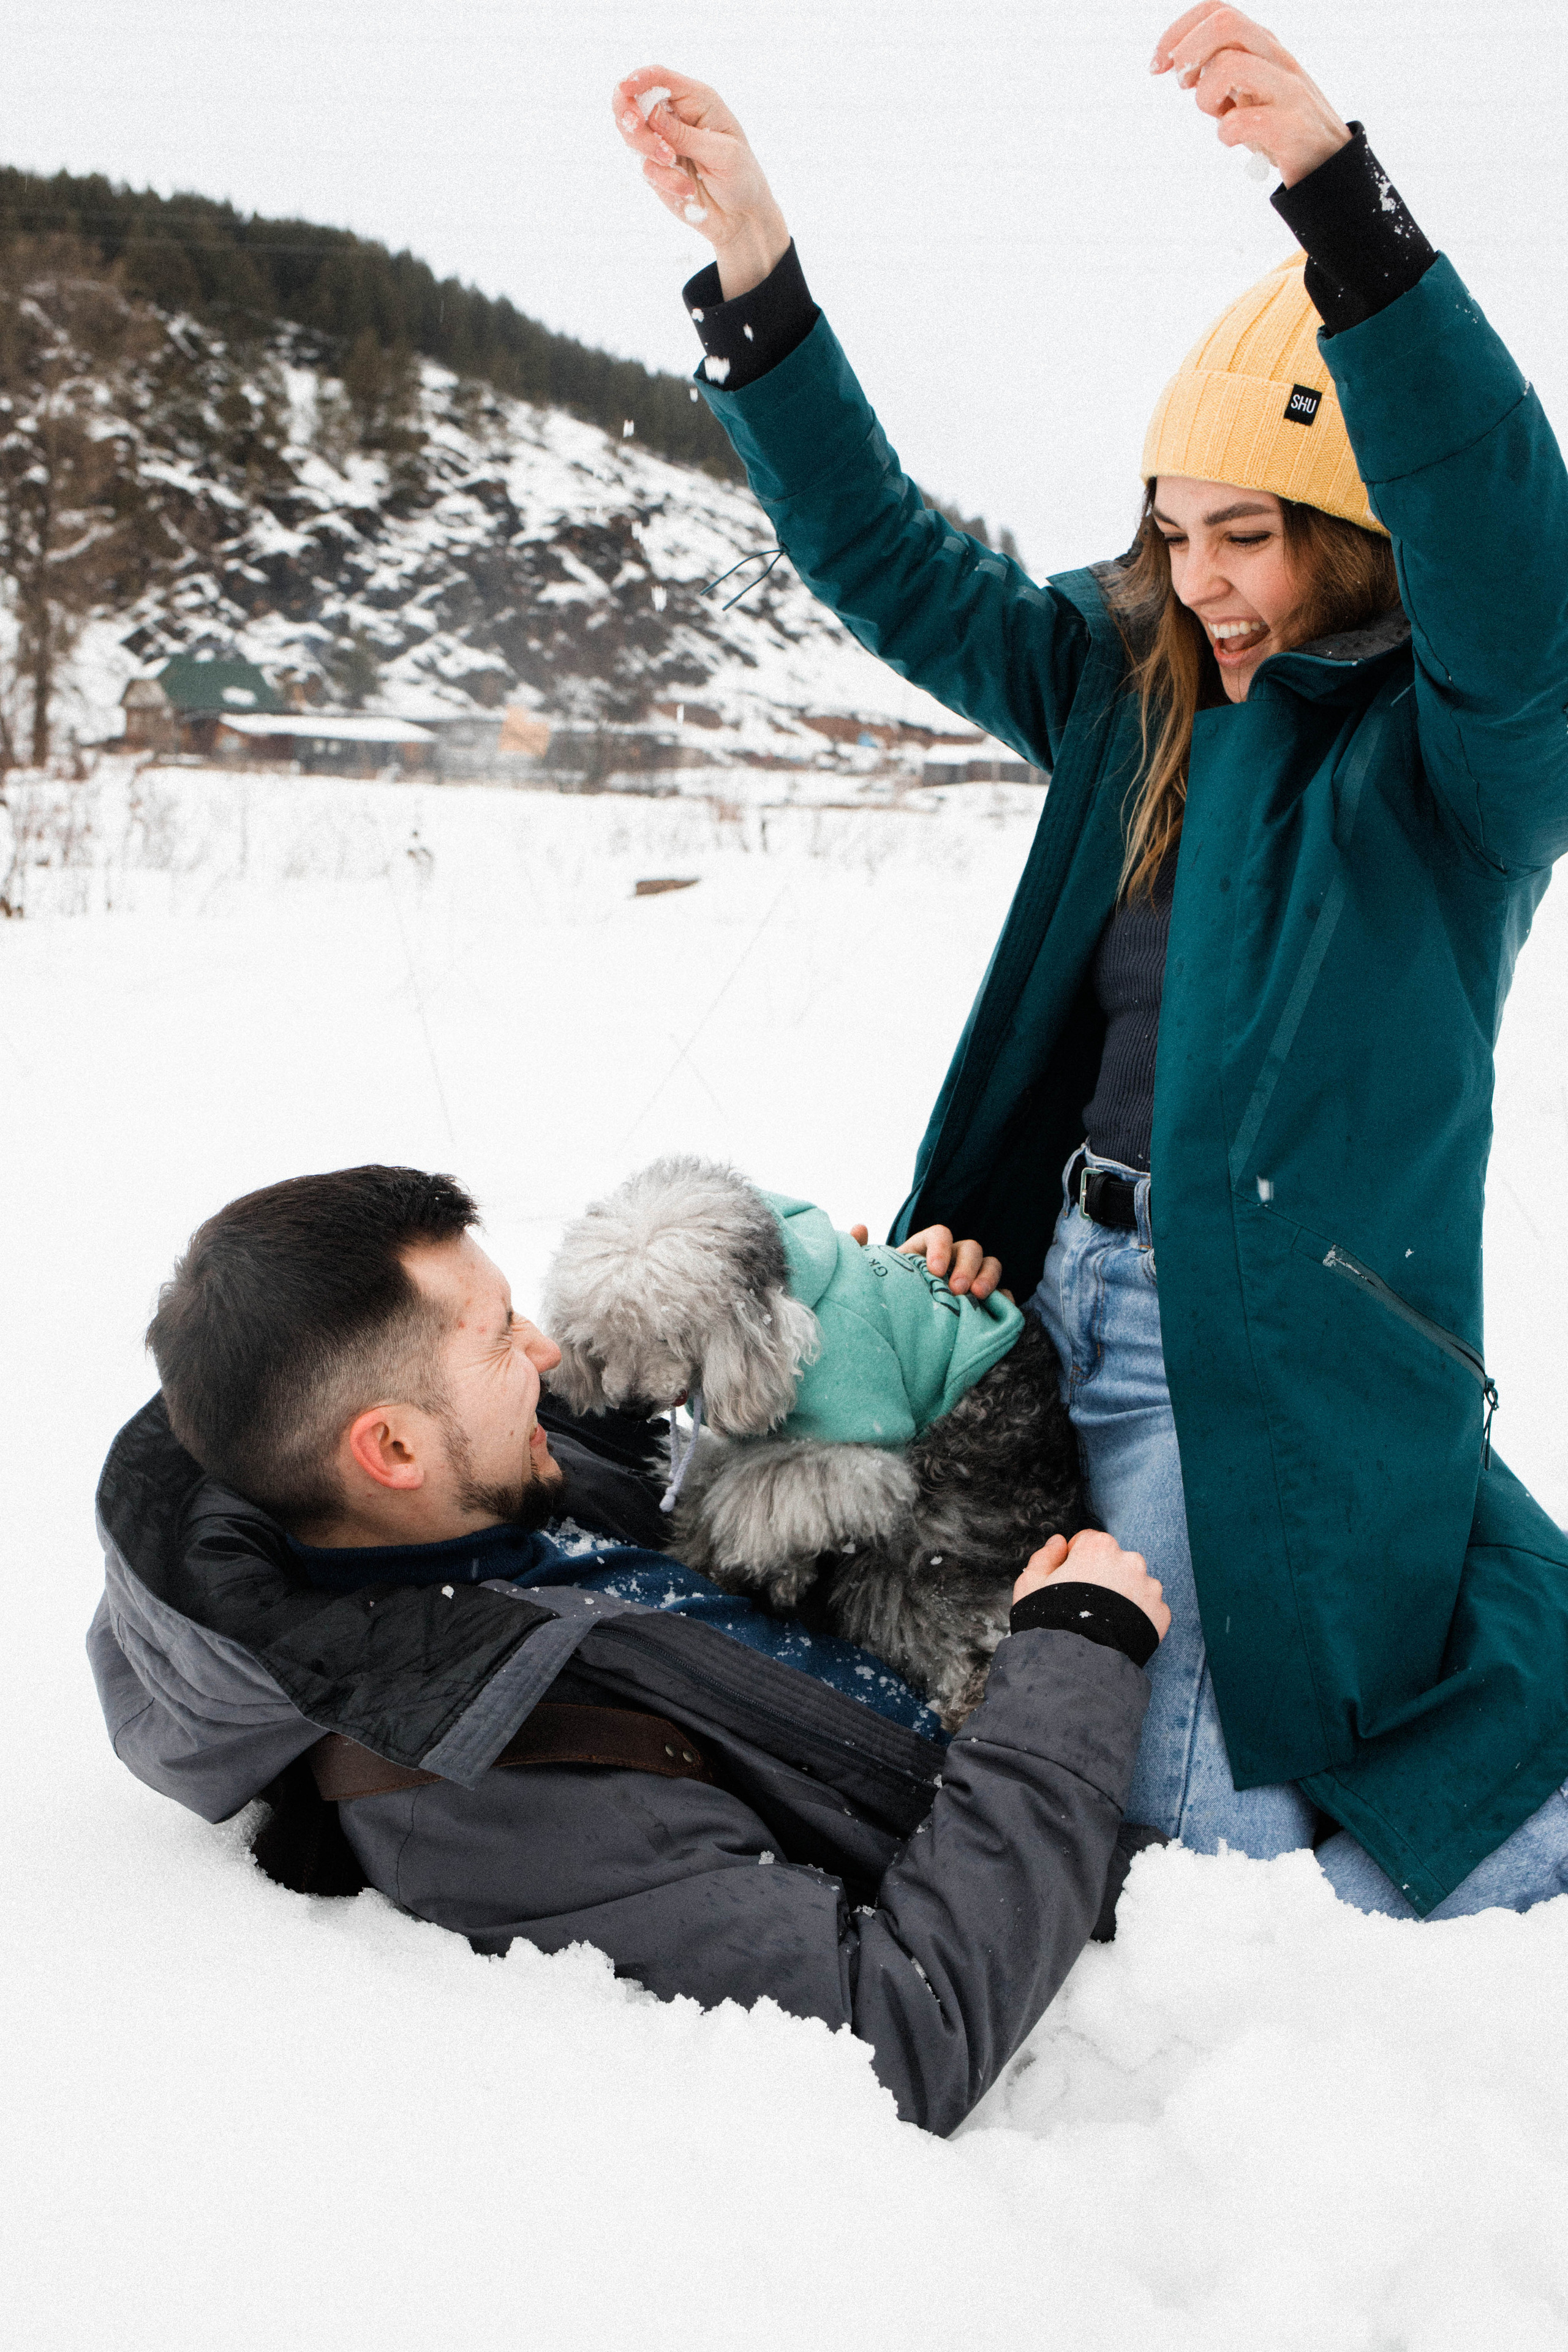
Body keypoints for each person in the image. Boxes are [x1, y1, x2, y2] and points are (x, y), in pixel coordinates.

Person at [613, 6, 1568, 1922]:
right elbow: (884, 554)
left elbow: (1515, 556)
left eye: (1251, 538)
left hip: (1273, 1351)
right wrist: (757, 277)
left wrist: (1341, 207)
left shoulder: (1454, 767)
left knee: (1179, 1828)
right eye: (1171, 528)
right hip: (1054, 1288)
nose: (1198, 578)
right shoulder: (1124, 696)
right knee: (968, 1672)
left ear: (1363, 548)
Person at [88, 1164, 1170, 2138]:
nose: (546, 1352)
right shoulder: (492, 1785)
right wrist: (1072, 1664)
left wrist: (867, 1317)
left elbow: (673, 1416)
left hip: (1004, 1628)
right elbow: (900, 2036)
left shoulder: (473, 1500)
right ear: (393, 1448)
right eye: (503, 1334)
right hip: (1089, 1859)